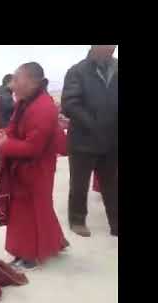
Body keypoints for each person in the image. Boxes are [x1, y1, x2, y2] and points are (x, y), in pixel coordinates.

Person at [0, 62, 68, 271]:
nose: (12, 85)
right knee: (38, 207)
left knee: (30, 210)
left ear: (32, 82)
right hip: (21, 167)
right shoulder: (24, 103)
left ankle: (29, 255)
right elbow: (14, 129)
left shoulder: (43, 108)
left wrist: (3, 143)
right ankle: (55, 241)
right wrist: (2, 136)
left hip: (36, 169)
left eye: (16, 79)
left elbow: (33, 147)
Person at [61, 45, 118, 237]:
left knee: (112, 184)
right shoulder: (78, 71)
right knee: (79, 183)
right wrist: (94, 123)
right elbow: (69, 103)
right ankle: (77, 220)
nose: (112, 50)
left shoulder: (117, 68)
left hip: (111, 141)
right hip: (83, 141)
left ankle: (116, 223)